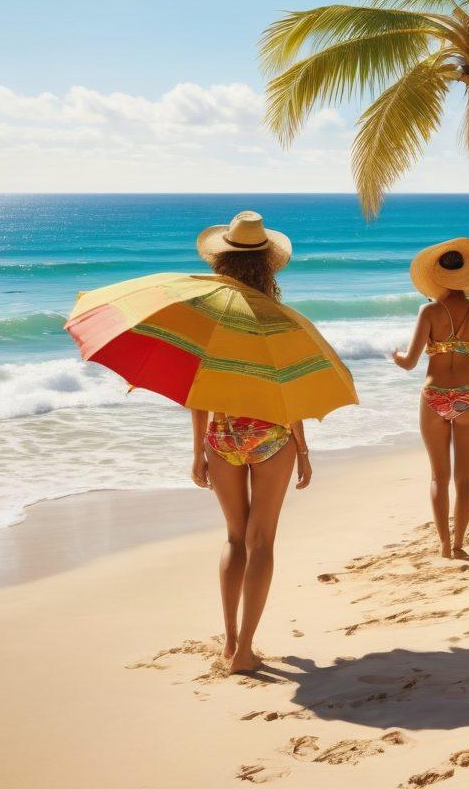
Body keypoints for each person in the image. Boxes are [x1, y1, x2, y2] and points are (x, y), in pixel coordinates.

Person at [189, 211, 313, 674]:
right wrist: (302, 450)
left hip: (222, 434)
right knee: (262, 542)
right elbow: (292, 389)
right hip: (269, 434)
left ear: (222, 262)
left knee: (235, 539)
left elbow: (196, 388)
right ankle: (246, 651)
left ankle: (228, 643)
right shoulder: (277, 319)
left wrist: (198, 448)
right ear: (268, 267)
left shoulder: (209, 317)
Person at [393, 238, 469, 559]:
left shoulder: (429, 311)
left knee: (438, 476)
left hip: (434, 395)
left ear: (436, 277)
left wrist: (395, 355)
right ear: (467, 275)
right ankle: (460, 543)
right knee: (466, 477)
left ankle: (443, 545)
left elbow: (409, 362)